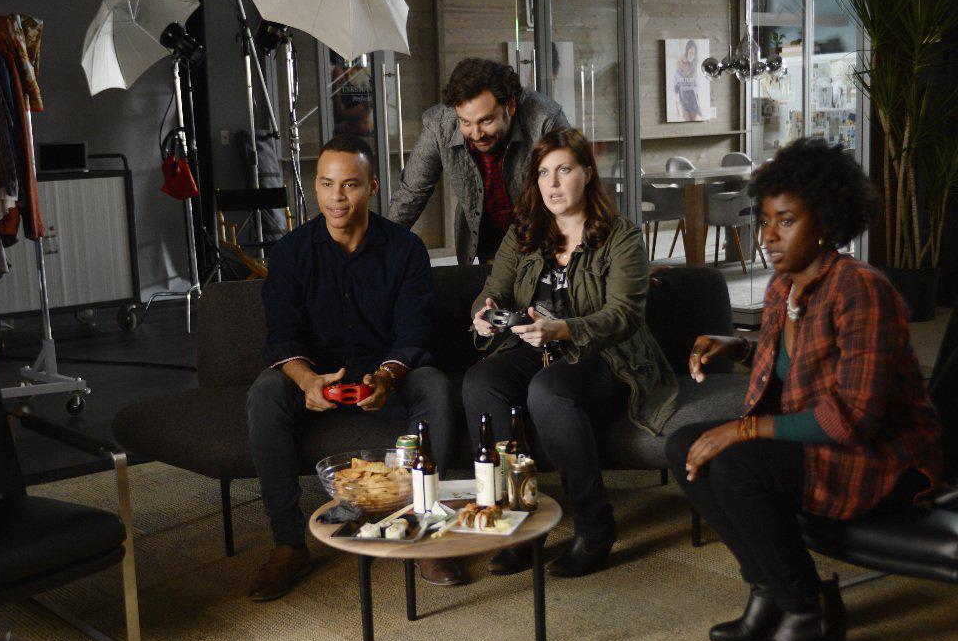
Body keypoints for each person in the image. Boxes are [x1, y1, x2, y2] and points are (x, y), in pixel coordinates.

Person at [666, 138, 943, 641]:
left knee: (736, 462)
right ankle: (767, 588)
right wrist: (739, 347)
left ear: (826, 222)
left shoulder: (862, 290)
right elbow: (800, 367)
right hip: (824, 443)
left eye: (785, 220)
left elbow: (852, 418)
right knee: (685, 445)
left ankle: (808, 611)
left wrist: (743, 432)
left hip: (885, 462)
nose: (768, 236)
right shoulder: (785, 286)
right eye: (765, 220)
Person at [246, 135, 459, 602]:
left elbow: (414, 335)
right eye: (326, 184)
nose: (337, 197)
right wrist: (305, 381)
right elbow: (281, 336)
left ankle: (424, 528)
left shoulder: (405, 249)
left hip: (387, 376)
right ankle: (288, 544)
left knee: (437, 386)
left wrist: (385, 377)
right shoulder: (290, 253)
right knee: (265, 393)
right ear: (315, 187)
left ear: (373, 187)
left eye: (350, 185)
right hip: (315, 375)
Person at [464, 128, 678, 577]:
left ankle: (594, 526)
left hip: (608, 357)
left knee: (550, 391)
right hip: (534, 346)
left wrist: (564, 328)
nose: (552, 184)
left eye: (564, 170)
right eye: (543, 173)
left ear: (587, 174)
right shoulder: (523, 233)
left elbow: (624, 315)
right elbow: (493, 291)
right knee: (481, 382)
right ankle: (516, 521)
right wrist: (483, 314)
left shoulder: (621, 236)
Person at [388, 57, 569, 265]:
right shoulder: (440, 125)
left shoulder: (546, 119)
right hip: (489, 248)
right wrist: (378, 251)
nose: (476, 134)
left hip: (546, 244)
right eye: (465, 122)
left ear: (510, 105)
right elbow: (411, 194)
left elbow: (572, 194)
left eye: (486, 121)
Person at [673, 39, 702, 122]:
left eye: (694, 54)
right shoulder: (679, 64)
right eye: (690, 52)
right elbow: (676, 85)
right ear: (687, 51)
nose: (692, 55)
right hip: (684, 101)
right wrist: (677, 103)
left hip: (693, 101)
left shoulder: (694, 66)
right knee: (686, 121)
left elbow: (696, 86)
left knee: (693, 122)